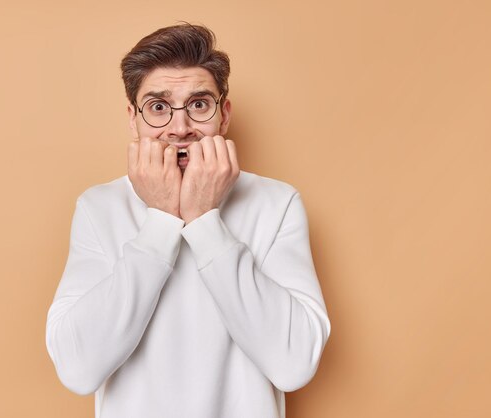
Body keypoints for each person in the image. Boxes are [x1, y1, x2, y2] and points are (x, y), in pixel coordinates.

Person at [45, 23, 330, 418]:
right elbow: (78, 369)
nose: (180, 129)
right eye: (158, 107)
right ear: (134, 118)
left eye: (198, 104)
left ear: (223, 114)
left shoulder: (276, 203)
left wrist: (204, 219)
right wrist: (161, 220)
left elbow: (294, 364)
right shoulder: (99, 207)